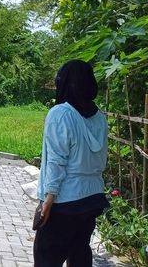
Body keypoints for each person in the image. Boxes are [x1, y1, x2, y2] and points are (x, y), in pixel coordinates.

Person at [33, 60, 109, 266]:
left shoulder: (60, 114)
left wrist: (47, 201)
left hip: (64, 200)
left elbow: (57, 161)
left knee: (46, 258)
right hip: (92, 197)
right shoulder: (99, 117)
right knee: (79, 253)